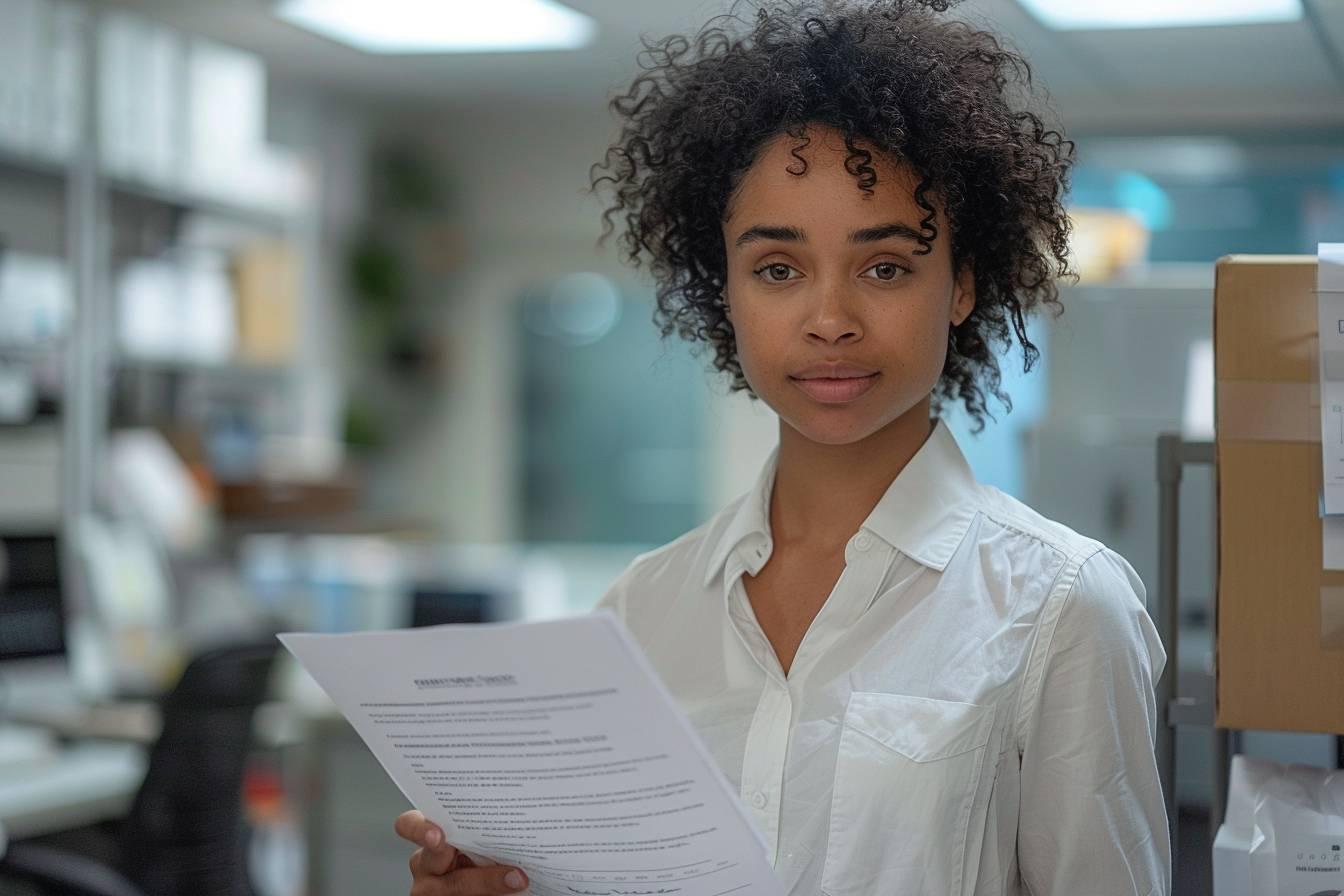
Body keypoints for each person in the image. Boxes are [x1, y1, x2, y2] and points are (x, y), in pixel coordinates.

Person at [396, 0, 1171, 893]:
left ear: (960, 284)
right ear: (720, 288)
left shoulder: (1065, 610)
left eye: (884, 268)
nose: (830, 320)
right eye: (777, 269)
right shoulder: (640, 613)